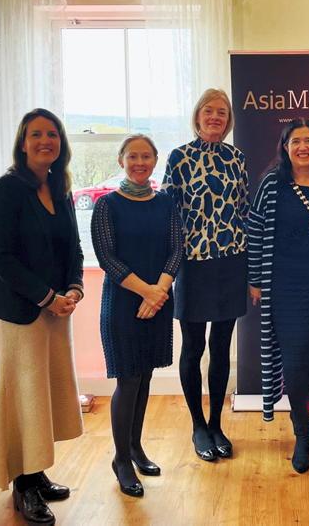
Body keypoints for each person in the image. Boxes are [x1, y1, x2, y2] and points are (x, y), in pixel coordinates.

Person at [0, 108, 84, 526]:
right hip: (17, 310)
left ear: (61, 143)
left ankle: (35, 473)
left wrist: (74, 288)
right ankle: (23, 487)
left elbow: (73, 247)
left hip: (55, 309)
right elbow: (0, 258)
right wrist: (47, 297)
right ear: (23, 143)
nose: (45, 141)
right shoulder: (5, 190)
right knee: (23, 395)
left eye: (52, 134)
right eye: (36, 134)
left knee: (41, 395)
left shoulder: (60, 188)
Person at [247, 118, 309, 474]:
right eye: (296, 141)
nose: (303, 147)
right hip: (286, 287)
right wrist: (255, 280)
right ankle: (302, 433)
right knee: (295, 359)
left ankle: (303, 421)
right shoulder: (272, 183)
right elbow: (255, 229)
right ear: (285, 147)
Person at [92, 134, 182, 497]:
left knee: (144, 378)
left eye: (146, 156)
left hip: (157, 301)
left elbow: (177, 249)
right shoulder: (107, 205)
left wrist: (159, 291)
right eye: (133, 156)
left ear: (155, 160)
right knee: (128, 380)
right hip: (123, 303)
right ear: (121, 160)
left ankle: (135, 447)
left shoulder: (166, 203)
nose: (140, 162)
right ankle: (121, 460)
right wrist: (148, 291)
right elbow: (106, 257)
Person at [162, 88, 249, 462]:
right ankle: (198, 426)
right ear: (197, 116)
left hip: (231, 262)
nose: (215, 117)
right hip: (193, 265)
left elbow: (243, 210)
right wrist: (167, 270)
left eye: (222, 112)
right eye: (209, 111)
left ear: (228, 120)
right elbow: (168, 216)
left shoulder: (236, 158)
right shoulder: (179, 157)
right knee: (193, 347)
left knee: (221, 347)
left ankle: (216, 424)